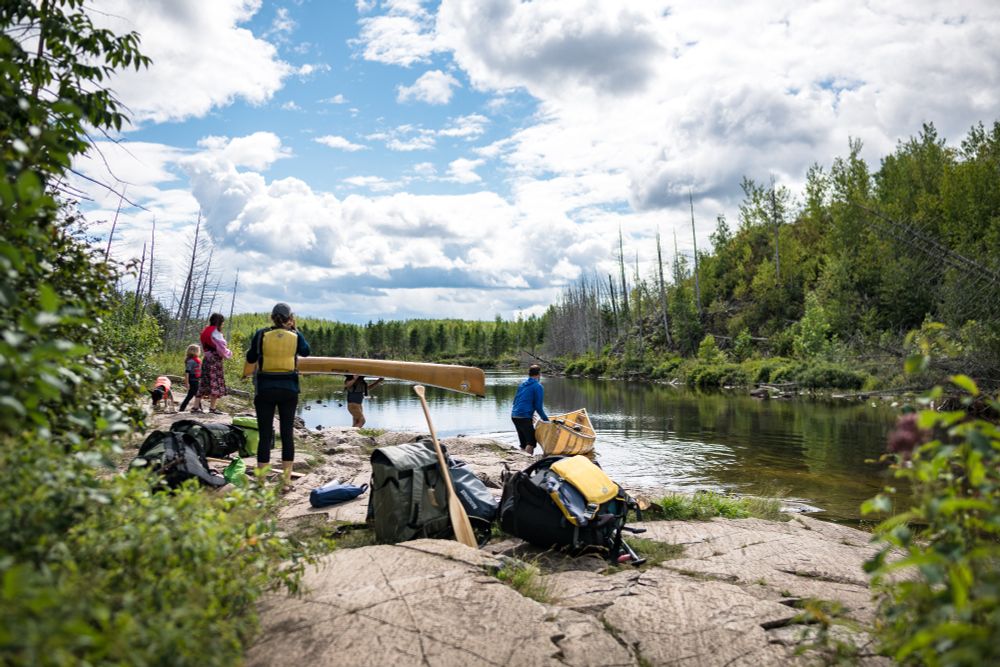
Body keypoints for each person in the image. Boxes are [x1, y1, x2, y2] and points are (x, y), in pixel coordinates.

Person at [246, 302, 311, 487]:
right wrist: (295, 330)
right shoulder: (296, 336)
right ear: (290, 318)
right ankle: (286, 480)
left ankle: (261, 482)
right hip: (289, 390)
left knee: (265, 435)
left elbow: (251, 358)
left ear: (272, 317)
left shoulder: (261, 334)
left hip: (265, 389)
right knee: (287, 434)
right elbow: (306, 352)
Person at [197, 313, 232, 414]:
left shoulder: (205, 331)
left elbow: (205, 346)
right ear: (219, 322)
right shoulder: (217, 333)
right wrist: (229, 353)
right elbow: (222, 350)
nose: (223, 324)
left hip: (206, 359)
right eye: (222, 322)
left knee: (203, 382)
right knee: (215, 383)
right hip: (215, 361)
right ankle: (212, 408)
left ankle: (195, 407)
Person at [511, 364, 549, 454]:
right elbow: (538, 407)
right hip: (524, 416)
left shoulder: (522, 385)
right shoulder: (538, 386)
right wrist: (547, 421)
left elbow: (515, 402)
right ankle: (527, 463)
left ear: (529, 374)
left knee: (524, 443)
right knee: (531, 442)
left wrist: (530, 414)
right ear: (539, 374)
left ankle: (521, 459)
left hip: (514, 415)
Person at [179, 344, 202, 412]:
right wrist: (187, 382)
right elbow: (187, 372)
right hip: (192, 380)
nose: (199, 352)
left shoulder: (196, 360)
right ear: (195, 351)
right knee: (192, 395)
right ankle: (182, 408)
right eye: (198, 350)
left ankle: (198, 407)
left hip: (196, 379)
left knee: (195, 394)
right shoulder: (191, 361)